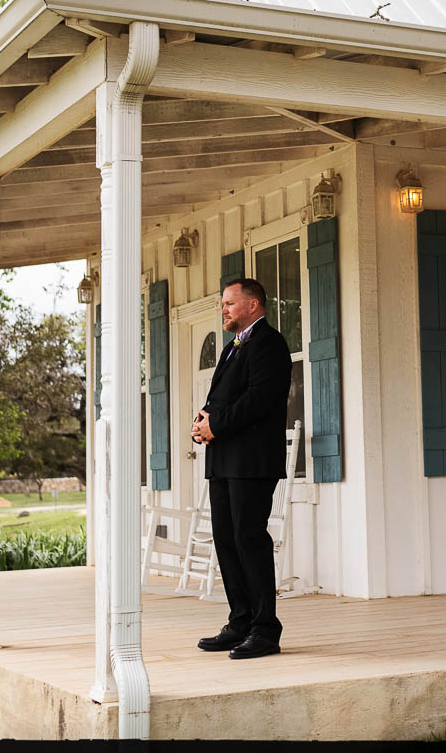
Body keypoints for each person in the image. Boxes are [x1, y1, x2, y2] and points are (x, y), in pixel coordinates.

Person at [192, 278, 293, 658]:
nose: (224, 309)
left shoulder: (268, 343)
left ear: (253, 305)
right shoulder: (233, 347)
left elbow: (259, 399)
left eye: (230, 303)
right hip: (223, 460)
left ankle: (265, 629)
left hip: (251, 462)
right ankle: (240, 622)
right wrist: (202, 422)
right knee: (227, 540)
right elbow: (222, 397)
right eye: (223, 304)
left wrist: (217, 424)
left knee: (249, 540)